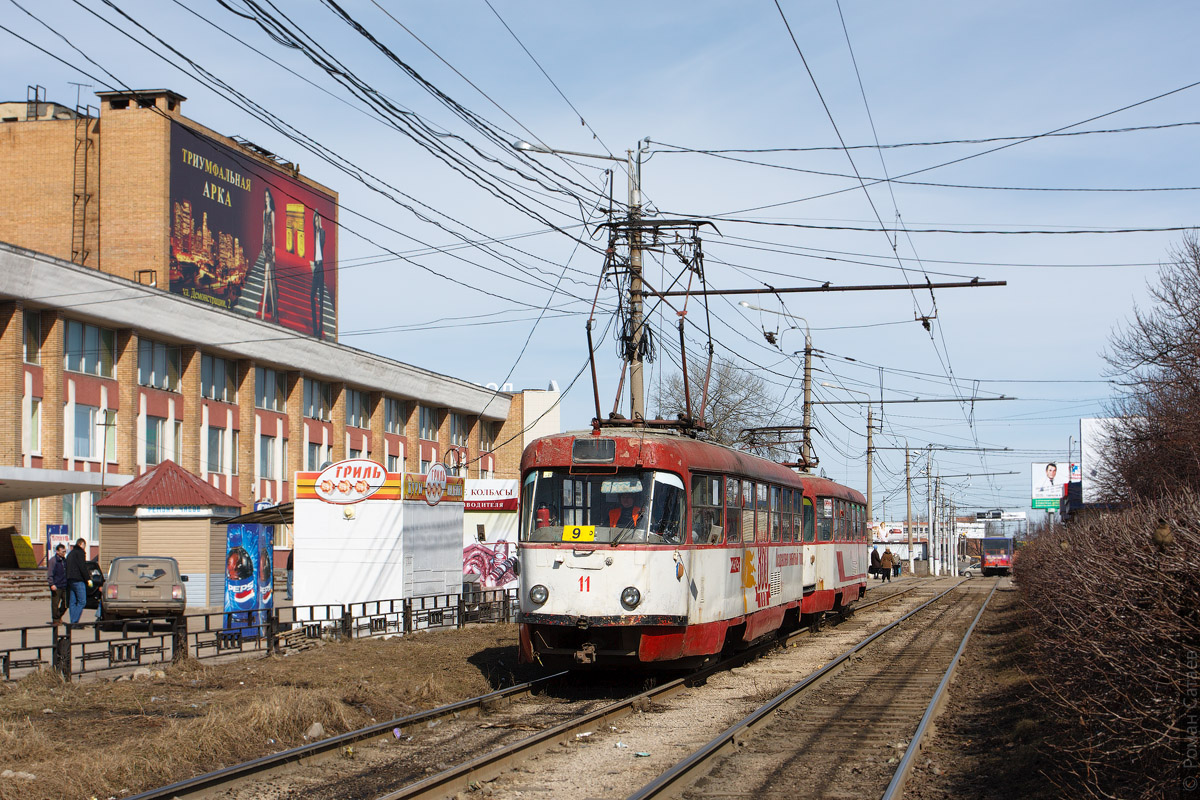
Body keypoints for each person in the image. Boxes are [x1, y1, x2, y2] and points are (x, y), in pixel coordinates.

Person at [257, 190, 278, 323]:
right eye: (264, 196)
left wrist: (274, 249)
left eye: (267, 197)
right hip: (266, 247)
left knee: (269, 280)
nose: (265, 199)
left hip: (270, 246)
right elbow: (264, 230)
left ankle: (269, 313)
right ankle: (267, 313)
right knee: (267, 280)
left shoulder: (272, 213)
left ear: (270, 198)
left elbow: (273, 231)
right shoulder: (264, 213)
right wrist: (262, 246)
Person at [65, 538, 91, 625]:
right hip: (79, 579)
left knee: (72, 602)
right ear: (81, 544)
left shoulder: (70, 553)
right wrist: (88, 579)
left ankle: (73, 620)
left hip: (70, 580)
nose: (85, 548)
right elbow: (82, 567)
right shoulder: (80, 553)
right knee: (82, 601)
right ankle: (74, 622)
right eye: (84, 545)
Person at [309, 210, 326, 339]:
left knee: (321, 300)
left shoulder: (322, 233)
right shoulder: (313, 234)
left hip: (321, 266)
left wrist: (319, 229)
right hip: (315, 266)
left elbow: (322, 244)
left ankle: (320, 329)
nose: (316, 222)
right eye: (315, 220)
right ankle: (315, 328)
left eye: (318, 220)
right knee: (312, 296)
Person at [47, 543, 67, 627]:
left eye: (65, 551)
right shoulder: (53, 560)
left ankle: (58, 615)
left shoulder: (64, 560)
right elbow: (50, 573)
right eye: (62, 551)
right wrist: (51, 584)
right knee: (55, 603)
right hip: (56, 585)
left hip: (64, 584)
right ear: (57, 551)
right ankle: (55, 619)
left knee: (66, 602)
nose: (64, 553)